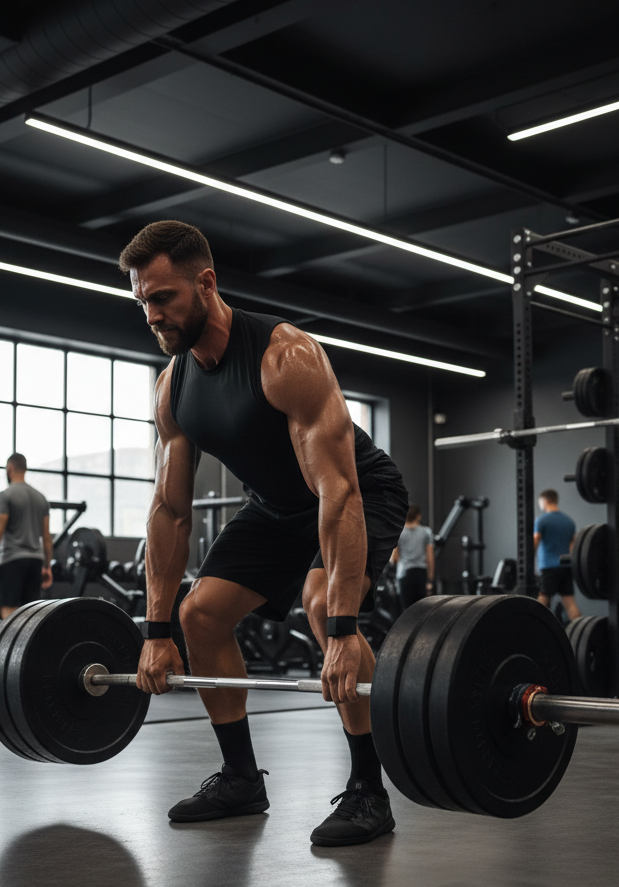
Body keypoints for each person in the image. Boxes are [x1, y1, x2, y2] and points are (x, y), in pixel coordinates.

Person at [121, 220, 408, 847]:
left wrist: (339, 630)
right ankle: (242, 778)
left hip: (357, 491)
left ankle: (368, 789)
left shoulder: (285, 356)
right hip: (275, 507)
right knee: (199, 616)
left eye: (163, 297)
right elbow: (170, 512)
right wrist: (156, 631)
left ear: (206, 283)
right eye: (141, 300)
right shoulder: (174, 386)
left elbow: (339, 491)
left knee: (320, 604)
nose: (152, 315)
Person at [0, 453, 53, 620]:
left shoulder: (5, 496)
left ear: (10, 469)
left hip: (12, 560)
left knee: (9, 611)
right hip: (35, 561)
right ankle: (29, 647)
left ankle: (12, 647)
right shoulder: (41, 499)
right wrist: (47, 566)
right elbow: (47, 537)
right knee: (31, 613)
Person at [533, 489, 580, 621]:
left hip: (548, 568)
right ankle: (581, 632)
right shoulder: (569, 521)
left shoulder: (541, 520)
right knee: (570, 603)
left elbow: (535, 542)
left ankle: (532, 634)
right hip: (566, 567)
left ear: (544, 501)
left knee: (542, 601)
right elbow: (573, 547)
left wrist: (530, 566)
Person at [391, 505, 435, 609]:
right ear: (418, 516)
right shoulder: (426, 532)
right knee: (422, 611)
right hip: (421, 574)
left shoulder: (398, 533)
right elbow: (430, 558)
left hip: (404, 575)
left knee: (406, 612)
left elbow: (394, 559)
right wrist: (430, 580)